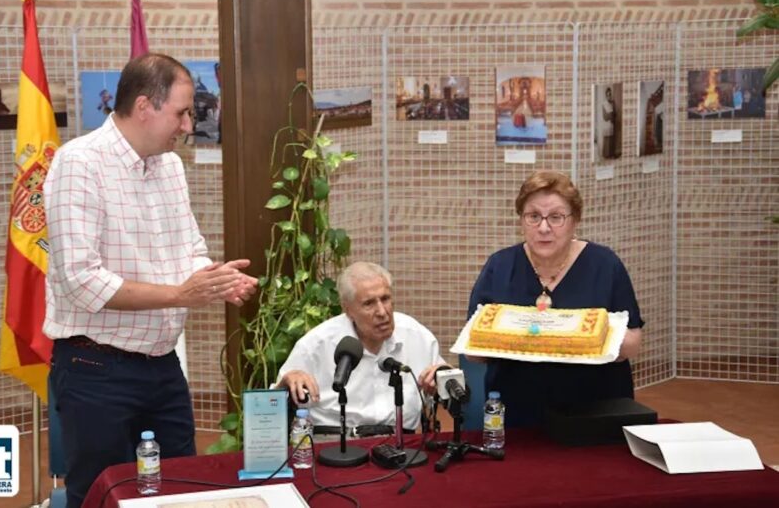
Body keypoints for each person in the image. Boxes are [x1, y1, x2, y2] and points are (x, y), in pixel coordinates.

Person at [44, 53, 257, 508]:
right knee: (102, 495)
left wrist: (214, 279)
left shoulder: (170, 167)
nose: (186, 125)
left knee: (182, 491)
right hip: (94, 370)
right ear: (145, 107)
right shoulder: (79, 164)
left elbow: (188, 249)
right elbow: (82, 281)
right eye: (181, 112)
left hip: (162, 367)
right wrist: (181, 293)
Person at [467, 171, 643, 428]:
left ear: (575, 221)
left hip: (597, 410)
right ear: (521, 220)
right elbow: (473, 349)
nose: (544, 227)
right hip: (518, 413)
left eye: (556, 217)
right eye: (533, 216)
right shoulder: (500, 266)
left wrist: (580, 339)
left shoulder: (605, 265)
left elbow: (632, 344)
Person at [276, 262, 447, 436]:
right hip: (334, 444)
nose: (382, 312)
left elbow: (450, 385)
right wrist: (286, 383)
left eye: (385, 299)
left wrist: (443, 376)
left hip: (401, 445)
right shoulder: (317, 344)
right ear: (348, 310)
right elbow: (272, 403)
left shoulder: (417, 336)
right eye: (369, 303)